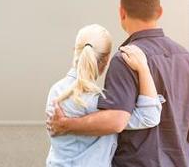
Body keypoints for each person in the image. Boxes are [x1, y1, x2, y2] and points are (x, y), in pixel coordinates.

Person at [46, 0, 189, 167]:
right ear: (159, 12)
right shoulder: (187, 58)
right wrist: (183, 153)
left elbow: (116, 119)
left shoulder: (124, 59)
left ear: (122, 12)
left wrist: (67, 124)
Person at [45, 24, 165, 167]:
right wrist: (143, 68)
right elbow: (149, 116)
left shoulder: (56, 90)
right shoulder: (98, 101)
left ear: (75, 51)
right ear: (107, 60)